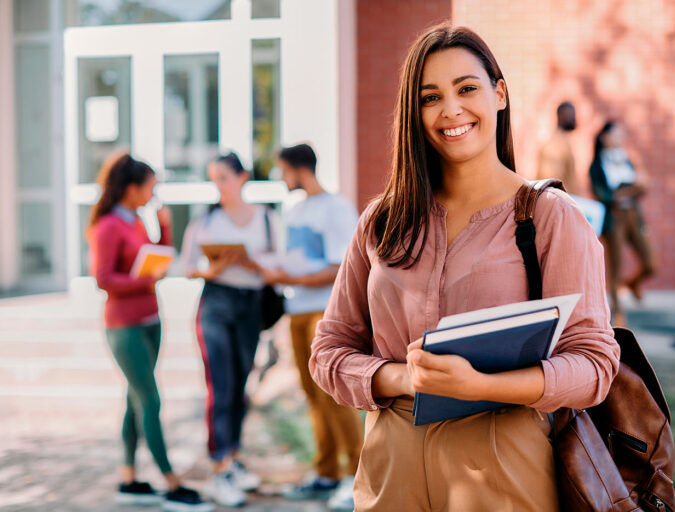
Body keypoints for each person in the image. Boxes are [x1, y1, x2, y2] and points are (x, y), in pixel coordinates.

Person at [309, 25, 620, 511]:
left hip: (505, 467)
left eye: (467, 88)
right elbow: (328, 352)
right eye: (430, 96)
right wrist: (402, 378)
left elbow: (595, 366)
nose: (451, 110)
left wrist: (481, 387)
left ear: (499, 93)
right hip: (391, 470)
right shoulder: (382, 221)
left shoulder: (551, 217)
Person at [88, 152, 212, 511]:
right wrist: (143, 280)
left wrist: (165, 227)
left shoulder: (136, 221)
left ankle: (128, 479)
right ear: (130, 189)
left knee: (135, 398)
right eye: (150, 188)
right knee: (150, 400)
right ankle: (171, 482)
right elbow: (103, 279)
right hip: (124, 326)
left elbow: (157, 256)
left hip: (150, 321)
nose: (153, 194)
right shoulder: (109, 225)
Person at [263, 144, 362, 510]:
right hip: (296, 310)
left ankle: (357, 476)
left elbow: (342, 266)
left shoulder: (336, 209)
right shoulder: (295, 210)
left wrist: (293, 278)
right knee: (311, 394)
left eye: (283, 171)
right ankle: (326, 474)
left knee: (334, 395)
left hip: (326, 311)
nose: (281, 179)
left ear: (300, 170)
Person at [179, 152, 275, 507]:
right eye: (213, 178)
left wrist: (251, 262)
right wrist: (214, 269)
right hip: (215, 304)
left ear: (242, 177)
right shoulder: (206, 222)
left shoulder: (266, 219)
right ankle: (220, 468)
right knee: (220, 387)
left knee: (240, 386)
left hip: (250, 305)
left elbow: (279, 266)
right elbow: (188, 267)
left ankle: (232, 458)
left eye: (223, 177)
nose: (218, 185)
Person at [589, 121, 655, 326]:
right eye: (615, 135)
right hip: (614, 219)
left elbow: (641, 188)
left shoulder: (626, 159)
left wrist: (634, 192)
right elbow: (603, 195)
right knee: (615, 268)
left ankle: (634, 282)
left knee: (651, 263)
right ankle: (618, 313)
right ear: (604, 137)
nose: (619, 139)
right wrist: (631, 190)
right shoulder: (597, 165)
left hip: (633, 217)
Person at [536, 101, 580, 195]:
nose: (574, 119)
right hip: (560, 199)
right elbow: (550, 182)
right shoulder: (555, 145)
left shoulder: (564, 142)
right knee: (598, 209)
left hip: (570, 198)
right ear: (561, 116)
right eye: (571, 115)